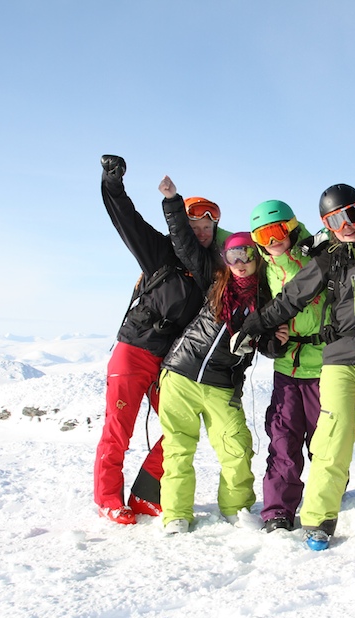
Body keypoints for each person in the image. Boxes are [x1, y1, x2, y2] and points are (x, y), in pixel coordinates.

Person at [240, 184, 355, 550]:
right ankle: (318, 518)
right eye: (333, 219)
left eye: (349, 214)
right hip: (340, 359)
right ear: (326, 225)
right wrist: (256, 325)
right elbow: (291, 297)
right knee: (333, 435)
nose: (344, 225)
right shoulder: (328, 258)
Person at [95, 154, 225, 525]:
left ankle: (144, 494)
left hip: (169, 363)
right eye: (194, 223)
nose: (201, 231)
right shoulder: (159, 251)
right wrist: (112, 183)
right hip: (134, 351)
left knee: (180, 426)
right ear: (181, 223)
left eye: (207, 225)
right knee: (118, 429)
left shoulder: (211, 271)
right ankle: (107, 499)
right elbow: (126, 220)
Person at [156, 174, 278, 535]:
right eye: (234, 255)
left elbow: (270, 346)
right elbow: (184, 242)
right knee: (178, 450)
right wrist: (172, 202)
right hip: (180, 374)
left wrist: (275, 337)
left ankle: (236, 509)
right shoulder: (215, 281)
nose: (240, 261)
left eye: (247, 255)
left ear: (257, 259)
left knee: (237, 448)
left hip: (221, 385)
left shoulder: (266, 301)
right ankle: (176, 514)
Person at [247, 200, 326, 533]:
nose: (271, 241)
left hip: (325, 365)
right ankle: (278, 510)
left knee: (325, 444)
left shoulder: (319, 254)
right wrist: (269, 343)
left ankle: (324, 508)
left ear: (292, 227)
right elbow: (260, 317)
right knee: (282, 439)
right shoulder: (262, 272)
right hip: (287, 368)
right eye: (262, 235)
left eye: (277, 230)